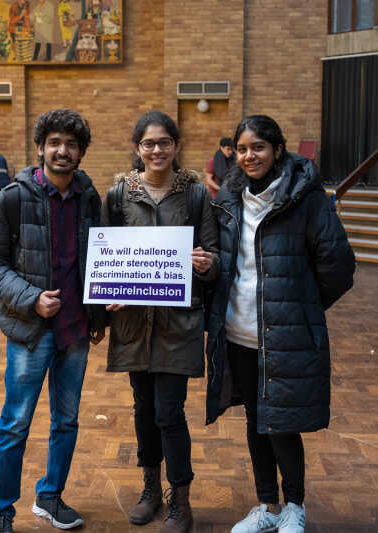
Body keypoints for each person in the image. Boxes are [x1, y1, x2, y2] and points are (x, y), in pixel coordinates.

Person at [205, 115, 355, 533]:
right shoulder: (229, 199)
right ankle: (267, 506)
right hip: (239, 332)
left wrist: (302, 306)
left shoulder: (305, 198)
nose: (250, 156)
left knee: (283, 423)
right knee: (256, 419)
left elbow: (339, 266)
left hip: (286, 334)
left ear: (277, 150)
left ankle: (295, 506)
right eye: (243, 148)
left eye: (259, 147)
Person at [0, 109, 106, 533]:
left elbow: (100, 259)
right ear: (40, 148)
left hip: (75, 332)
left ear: (81, 152)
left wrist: (102, 308)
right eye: (54, 142)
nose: (62, 150)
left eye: (70, 144)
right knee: (16, 422)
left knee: (66, 421)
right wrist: (31, 299)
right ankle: (0, 509)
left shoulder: (89, 198)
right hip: (30, 331)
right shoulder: (9, 199)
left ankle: (50, 496)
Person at [102, 110, 219, 533]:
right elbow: (107, 256)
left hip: (177, 323)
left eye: (164, 142)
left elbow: (215, 258)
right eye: (148, 143)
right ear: (138, 149)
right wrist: (107, 293)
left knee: (170, 412)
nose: (156, 150)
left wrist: (206, 263)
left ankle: (179, 499)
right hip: (134, 324)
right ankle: (149, 489)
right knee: (143, 407)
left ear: (175, 146)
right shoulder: (118, 195)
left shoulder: (196, 196)